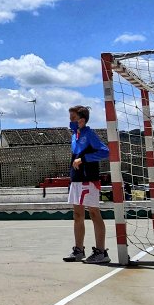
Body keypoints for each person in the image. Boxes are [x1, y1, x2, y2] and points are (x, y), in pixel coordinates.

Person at [63, 105, 111, 264]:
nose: (70, 121)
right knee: (77, 215)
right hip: (76, 180)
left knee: (94, 214)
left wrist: (83, 159)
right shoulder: (74, 136)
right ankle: (78, 250)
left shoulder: (89, 134)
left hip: (89, 180)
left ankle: (101, 252)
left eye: (73, 118)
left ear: (82, 120)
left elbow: (105, 151)